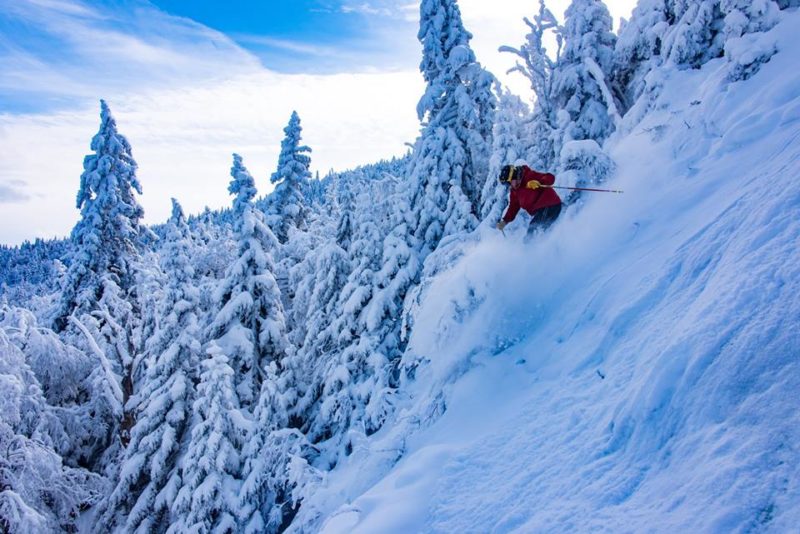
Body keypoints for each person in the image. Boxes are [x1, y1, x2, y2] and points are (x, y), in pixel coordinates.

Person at [496, 164, 562, 237]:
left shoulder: (528, 176)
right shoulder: (515, 191)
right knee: (536, 233)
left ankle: (536, 247)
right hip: (541, 211)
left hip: (551, 206)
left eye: (509, 183)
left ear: (514, 176)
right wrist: (505, 221)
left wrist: (540, 182)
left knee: (533, 233)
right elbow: (513, 208)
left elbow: (550, 177)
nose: (509, 186)